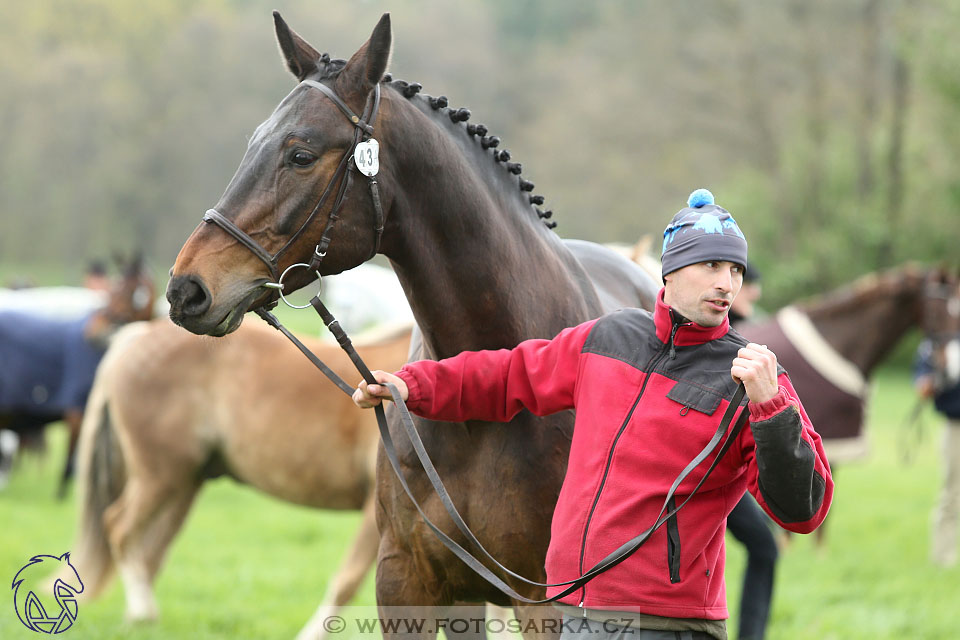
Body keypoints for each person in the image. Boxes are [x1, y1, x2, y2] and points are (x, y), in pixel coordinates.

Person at [354, 189, 833, 640]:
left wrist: (771, 409)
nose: (726, 283)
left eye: (736, 270)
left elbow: (803, 509)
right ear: (670, 272)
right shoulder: (607, 338)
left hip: (668, 625)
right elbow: (508, 375)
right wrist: (411, 385)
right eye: (711, 265)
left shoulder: (755, 375)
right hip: (573, 611)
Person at [725, 265, 781, 640]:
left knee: (764, 547)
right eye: (749, 284)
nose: (754, 293)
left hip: (726, 471)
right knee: (764, 547)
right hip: (708, 471)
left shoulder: (739, 338)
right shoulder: (725, 342)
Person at [914, 339, 960, 567]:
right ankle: (943, 558)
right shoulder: (938, 341)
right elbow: (923, 387)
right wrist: (939, 371)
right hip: (955, 425)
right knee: (952, 494)